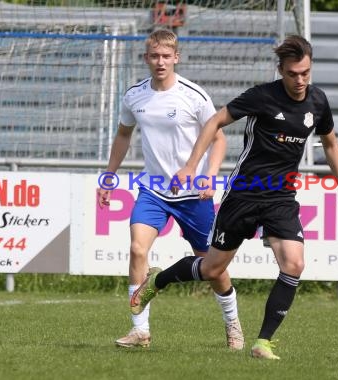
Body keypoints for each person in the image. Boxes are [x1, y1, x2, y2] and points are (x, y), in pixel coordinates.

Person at [129, 35, 338, 359]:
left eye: (305, 73)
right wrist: (192, 167)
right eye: (293, 74)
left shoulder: (317, 102)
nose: (300, 80)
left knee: (294, 263)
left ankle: (263, 342)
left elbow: (331, 144)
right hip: (243, 195)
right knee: (211, 269)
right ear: (281, 70)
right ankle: (158, 281)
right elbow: (215, 121)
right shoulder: (262, 96)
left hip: (281, 197)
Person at [97, 29, 244, 349]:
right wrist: (109, 175)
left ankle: (232, 323)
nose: (160, 62)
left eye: (166, 56)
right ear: (146, 57)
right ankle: (140, 330)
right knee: (137, 249)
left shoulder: (193, 95)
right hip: (153, 191)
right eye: (154, 56)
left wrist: (209, 175)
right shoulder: (134, 95)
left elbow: (219, 138)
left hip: (193, 196)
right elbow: (123, 136)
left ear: (176, 57)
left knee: (213, 267)